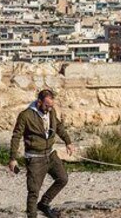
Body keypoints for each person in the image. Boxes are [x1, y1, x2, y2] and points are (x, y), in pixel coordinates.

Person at [9, 90, 75, 218]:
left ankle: (44, 203)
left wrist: (68, 141)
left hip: (50, 155)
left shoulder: (51, 111)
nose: (49, 108)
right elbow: (16, 136)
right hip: (35, 159)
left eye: (51, 106)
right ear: (39, 102)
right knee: (33, 191)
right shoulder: (26, 115)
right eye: (46, 105)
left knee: (62, 179)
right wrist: (12, 158)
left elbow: (58, 126)